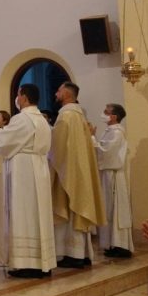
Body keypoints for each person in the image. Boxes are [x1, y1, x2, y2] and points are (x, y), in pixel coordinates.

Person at [0, 83, 56, 278]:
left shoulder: (22, 119)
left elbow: (4, 144)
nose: (17, 98)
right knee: (39, 213)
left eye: (19, 95)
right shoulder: (41, 119)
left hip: (24, 171)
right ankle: (41, 261)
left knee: (24, 213)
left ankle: (26, 262)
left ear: (25, 98)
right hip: (39, 167)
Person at [50, 81, 106, 268]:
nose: (56, 93)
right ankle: (81, 253)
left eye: (58, 90)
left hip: (68, 169)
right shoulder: (79, 116)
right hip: (79, 168)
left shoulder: (66, 116)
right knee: (78, 206)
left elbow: (57, 146)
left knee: (69, 207)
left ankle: (72, 254)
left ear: (66, 93)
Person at [90, 103, 133, 258]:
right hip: (107, 174)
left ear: (114, 116)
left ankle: (120, 245)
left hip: (113, 175)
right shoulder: (110, 132)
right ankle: (110, 243)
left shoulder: (117, 133)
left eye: (106, 112)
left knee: (115, 210)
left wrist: (92, 137)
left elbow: (106, 152)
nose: (104, 114)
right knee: (108, 210)